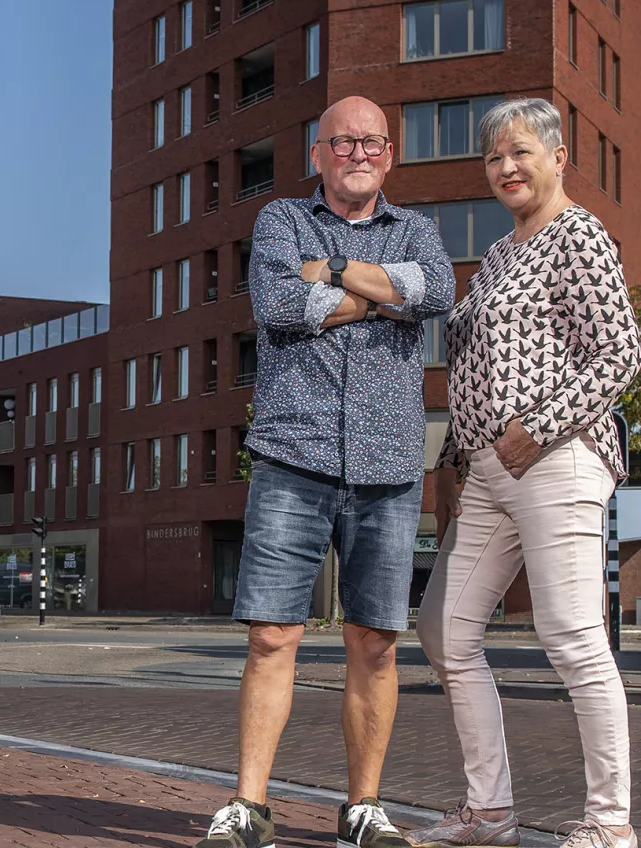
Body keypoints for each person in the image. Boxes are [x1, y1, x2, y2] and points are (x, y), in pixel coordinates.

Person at [195, 96, 454, 848]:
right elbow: (279, 305)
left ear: (390, 154)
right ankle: (248, 808)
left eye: (372, 142)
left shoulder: (418, 231)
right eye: (343, 142)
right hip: (292, 457)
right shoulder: (280, 220)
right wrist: (385, 296)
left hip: (389, 464)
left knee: (376, 642)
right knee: (272, 634)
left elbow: (436, 292)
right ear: (318, 154)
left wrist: (334, 273)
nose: (358, 153)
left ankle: (363, 810)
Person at [408, 98, 641, 848]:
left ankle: (610, 822)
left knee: (572, 635)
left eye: (520, 153)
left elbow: (620, 353)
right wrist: (454, 458)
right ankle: (490, 812)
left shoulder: (579, 236)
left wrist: (537, 429)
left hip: (558, 459)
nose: (506, 168)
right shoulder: (502, 253)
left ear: (557, 157)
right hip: (485, 471)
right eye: (494, 158)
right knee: (444, 630)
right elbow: (476, 369)